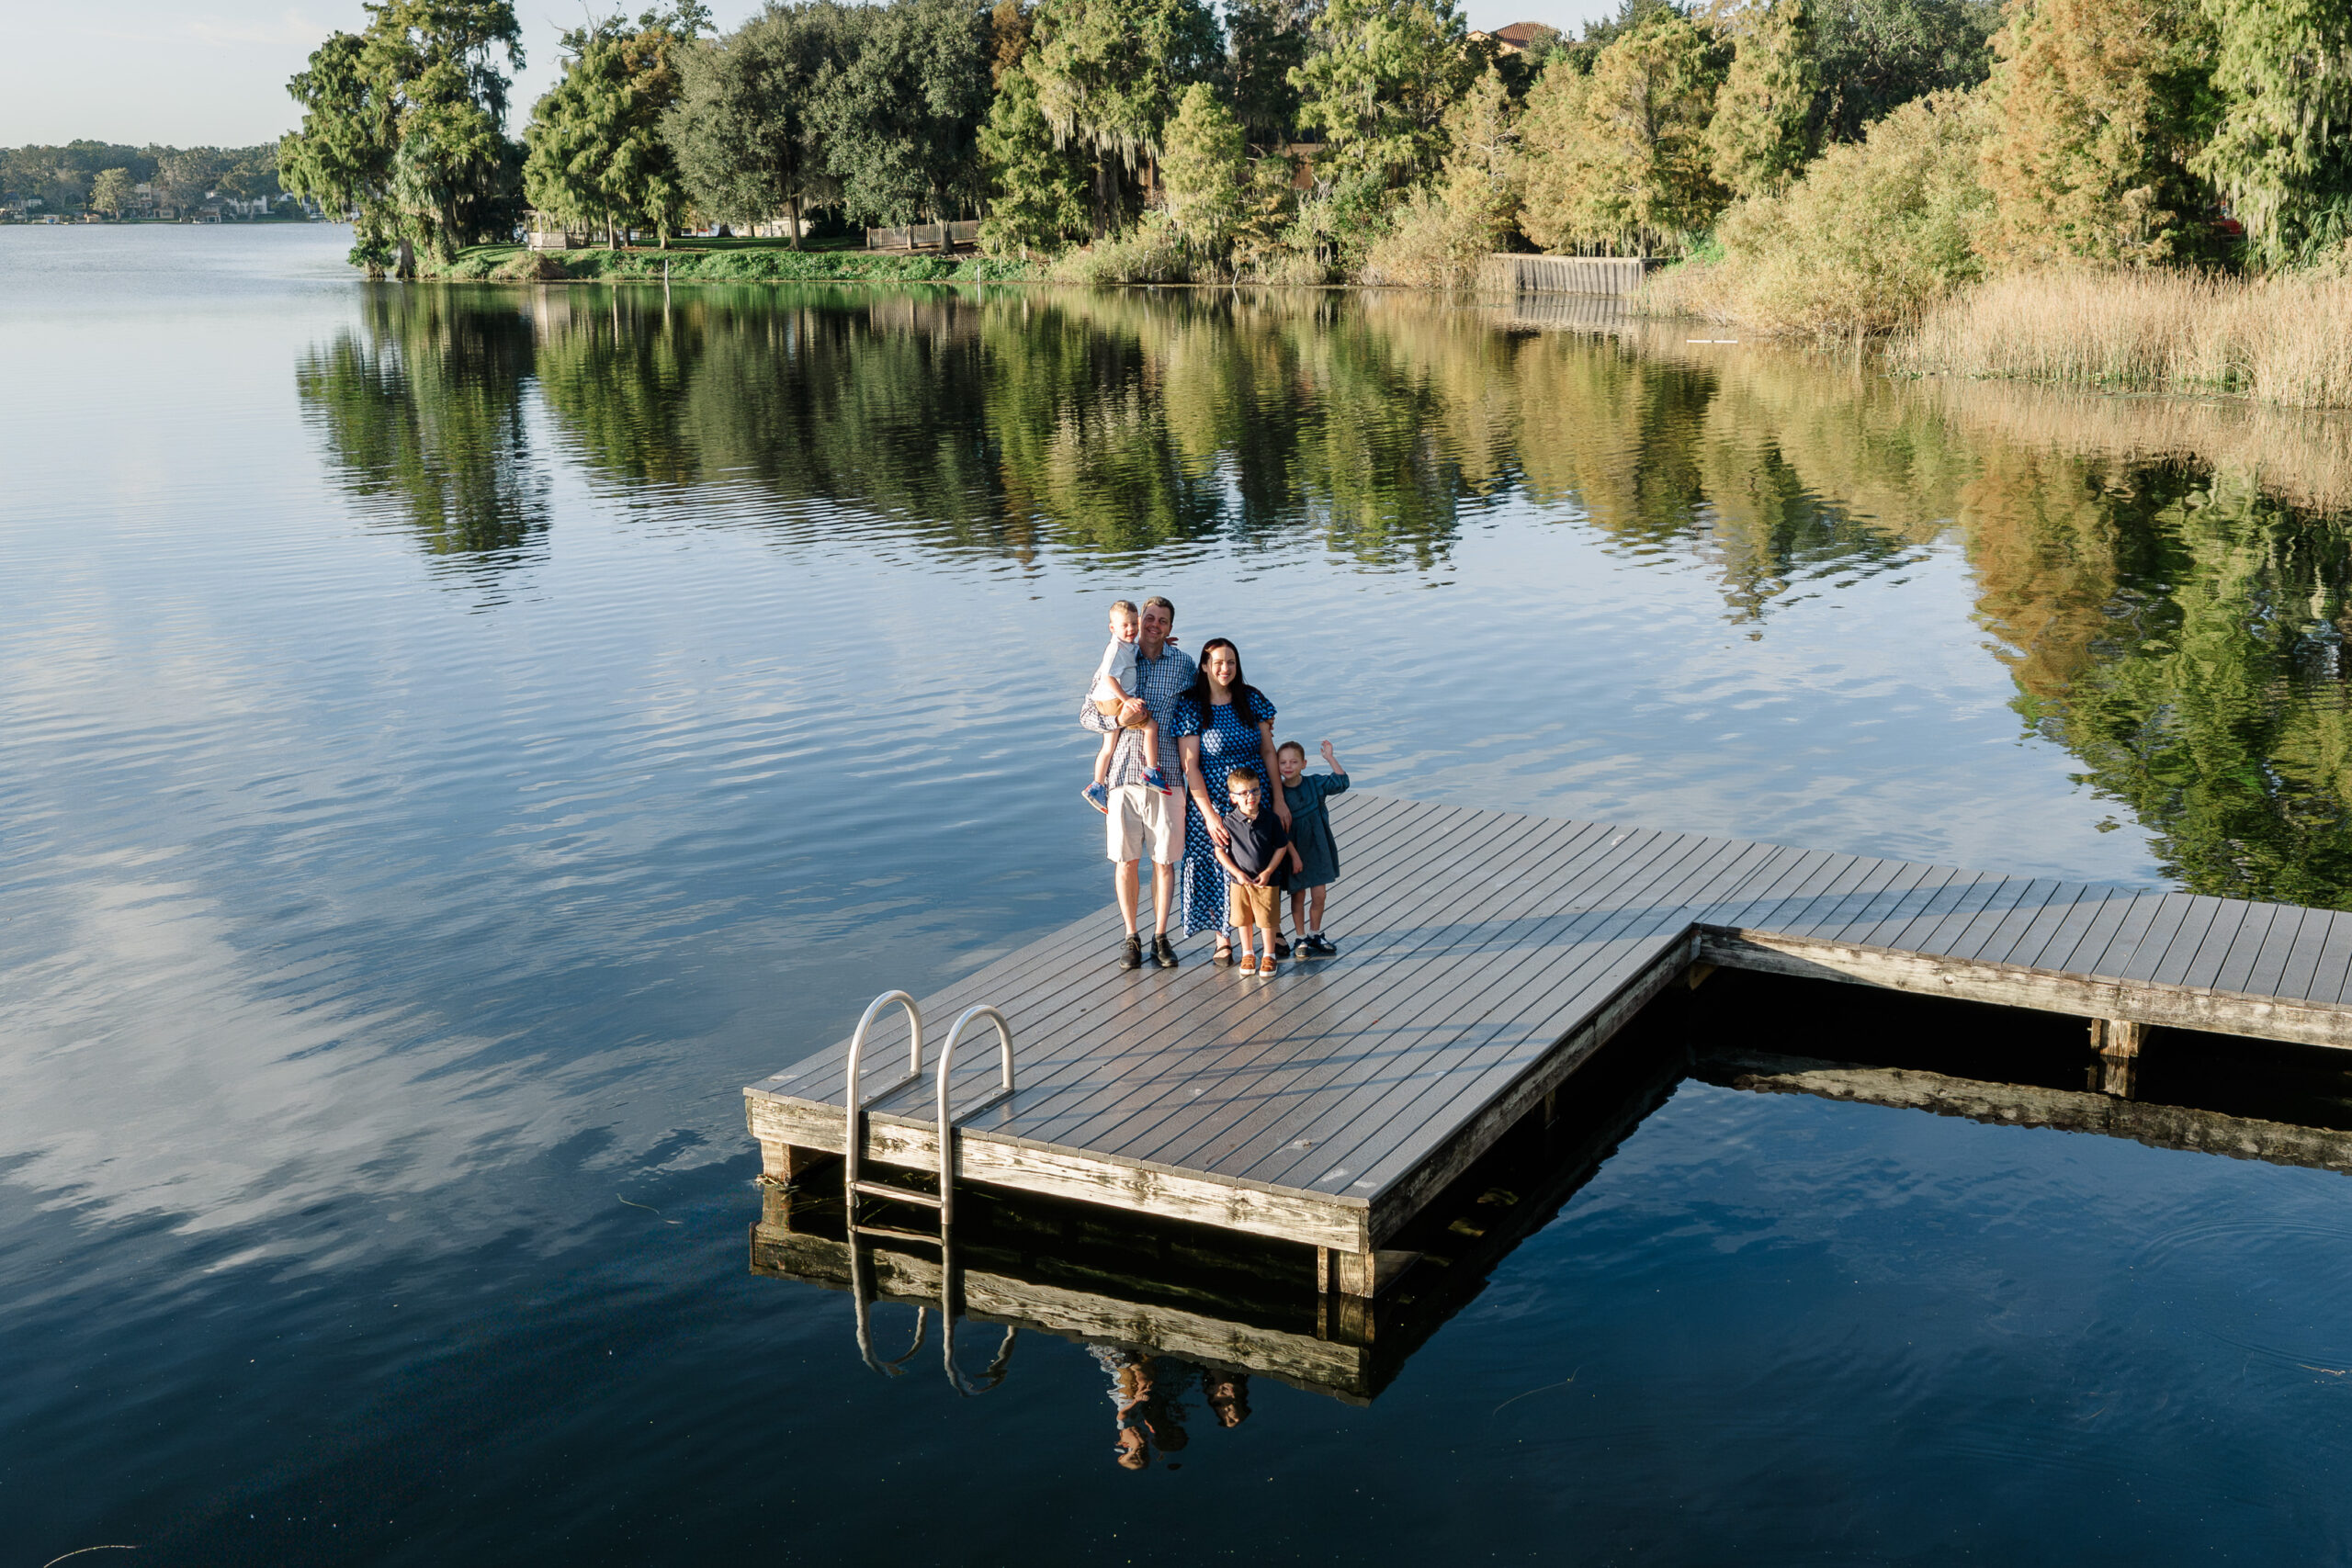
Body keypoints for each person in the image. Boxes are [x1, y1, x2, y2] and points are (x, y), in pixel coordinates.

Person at [1092, 597, 1194, 971]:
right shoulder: (1118, 656)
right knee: (1126, 861)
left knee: (1165, 861)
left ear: (1169, 628)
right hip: (1121, 776)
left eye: (1161, 621)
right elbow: (1088, 714)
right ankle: (1131, 936)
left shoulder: (1183, 665)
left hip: (1167, 776)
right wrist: (1120, 716)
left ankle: (1161, 937)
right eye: (1149, 619)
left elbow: (1205, 705)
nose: (1153, 625)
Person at [1173, 638, 1290, 966]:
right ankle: (1224, 936)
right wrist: (1210, 815)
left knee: (1262, 858)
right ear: (1204, 666)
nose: (1225, 669)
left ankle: (1271, 928)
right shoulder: (1192, 705)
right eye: (1218, 662)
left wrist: (1278, 799)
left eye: (1231, 662)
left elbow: (1268, 751)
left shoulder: (1251, 699)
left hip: (1255, 792)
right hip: (1211, 796)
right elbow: (1189, 765)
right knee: (1219, 862)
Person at [1081, 600, 1170, 811]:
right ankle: (1151, 771)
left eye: (1133, 624)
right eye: (1125, 626)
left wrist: (1164, 642)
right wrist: (1126, 700)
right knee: (1151, 727)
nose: (1130, 629)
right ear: (1112, 628)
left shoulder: (1125, 645)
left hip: (1106, 702)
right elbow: (1109, 677)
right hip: (1114, 702)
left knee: (1108, 747)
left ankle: (1097, 786)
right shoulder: (1114, 650)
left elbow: (1135, 651)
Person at [1214, 769, 1299, 976]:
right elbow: (1220, 851)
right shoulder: (1228, 823)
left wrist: (1269, 871)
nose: (1250, 797)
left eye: (1255, 791)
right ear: (1233, 798)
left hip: (1266, 881)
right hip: (1239, 881)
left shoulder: (1270, 819)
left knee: (1267, 920)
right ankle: (1248, 952)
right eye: (1243, 793)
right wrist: (1237, 873)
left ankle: (1269, 955)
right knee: (1244, 920)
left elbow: (1281, 846)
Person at [1278, 739, 1349, 956]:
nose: (1288, 766)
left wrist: (1329, 757)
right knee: (1298, 896)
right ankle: (1300, 938)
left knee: (1319, 896)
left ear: (1304, 764)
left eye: (1293, 761)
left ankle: (1315, 933)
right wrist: (1294, 856)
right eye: (1283, 763)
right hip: (1295, 853)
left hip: (1318, 849)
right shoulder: (1278, 795)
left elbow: (1341, 782)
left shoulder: (1315, 784)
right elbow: (1280, 831)